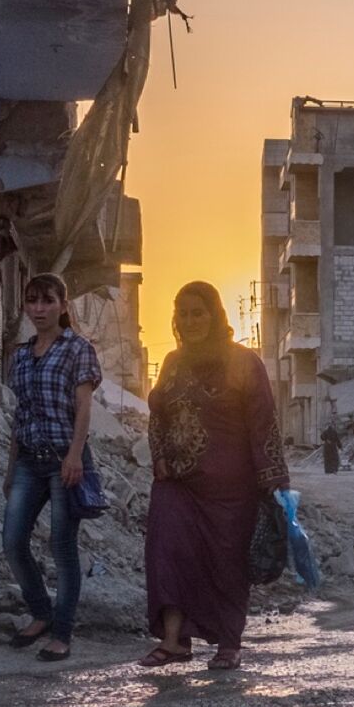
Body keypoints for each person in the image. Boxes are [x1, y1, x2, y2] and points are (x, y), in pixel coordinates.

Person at [141, 282, 288, 671]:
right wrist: (159, 458)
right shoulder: (173, 362)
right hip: (177, 483)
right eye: (183, 314)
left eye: (198, 312)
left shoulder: (242, 361)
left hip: (231, 488)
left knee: (227, 562)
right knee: (167, 552)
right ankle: (174, 642)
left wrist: (271, 477)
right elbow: (158, 416)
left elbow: (262, 423)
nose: (189, 321)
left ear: (215, 314)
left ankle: (229, 644)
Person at [1, 273, 102, 663]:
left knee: (62, 548)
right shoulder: (21, 356)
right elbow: (18, 414)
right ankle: (41, 612)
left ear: (63, 304)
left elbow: (83, 407)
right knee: (12, 541)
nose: (38, 309)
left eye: (47, 301)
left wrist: (75, 455)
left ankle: (62, 632)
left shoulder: (78, 349)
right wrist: (11, 470)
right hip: (28, 459)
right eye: (31, 301)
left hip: (65, 458)